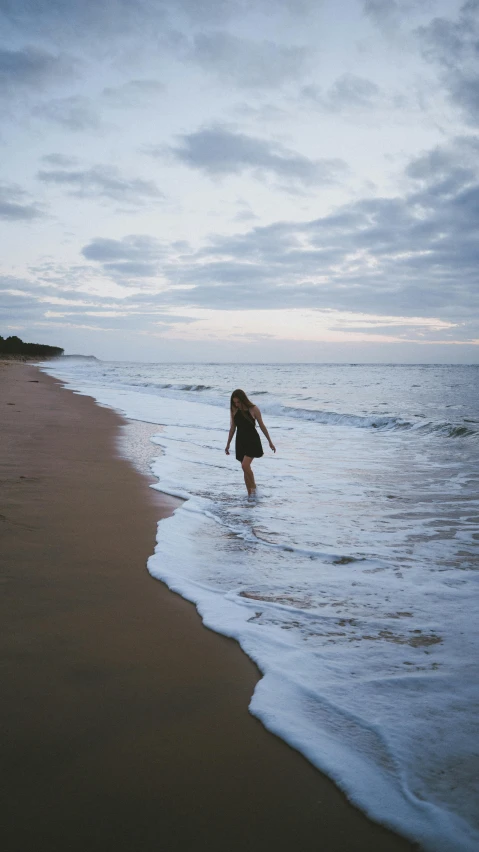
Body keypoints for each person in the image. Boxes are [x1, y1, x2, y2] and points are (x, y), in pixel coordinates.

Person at [225, 388, 276, 496]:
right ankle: (250, 495)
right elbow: (233, 428)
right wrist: (228, 444)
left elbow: (262, 426)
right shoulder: (234, 410)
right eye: (234, 402)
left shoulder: (253, 409)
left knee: (244, 465)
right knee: (245, 469)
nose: (237, 404)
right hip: (240, 441)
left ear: (243, 399)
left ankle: (254, 488)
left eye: (238, 402)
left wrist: (270, 441)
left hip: (252, 441)